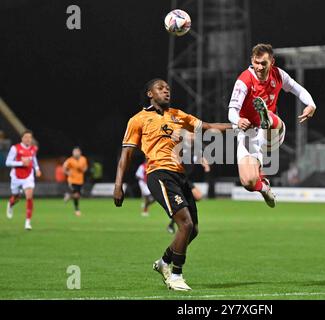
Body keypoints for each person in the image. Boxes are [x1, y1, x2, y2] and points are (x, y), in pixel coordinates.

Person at [113, 78, 231, 291]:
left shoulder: (178, 115)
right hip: (159, 173)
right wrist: (118, 185)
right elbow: (126, 155)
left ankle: (164, 262)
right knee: (184, 224)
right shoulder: (138, 120)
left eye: (168, 88)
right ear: (150, 93)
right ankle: (175, 275)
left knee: (193, 230)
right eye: (161, 88)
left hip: (180, 175)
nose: (166, 91)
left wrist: (238, 127)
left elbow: (208, 127)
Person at [228, 43, 316, 208]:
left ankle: (265, 118)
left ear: (272, 62)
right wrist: (238, 120)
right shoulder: (244, 81)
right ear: (252, 61)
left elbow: (299, 90)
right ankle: (264, 188)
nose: (260, 67)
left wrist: (311, 105)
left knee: (267, 117)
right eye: (256, 62)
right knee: (248, 182)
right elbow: (232, 111)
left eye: (264, 63)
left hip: (273, 131)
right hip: (248, 134)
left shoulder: (278, 75)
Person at [166, 131, 210, 234]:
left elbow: (200, 157)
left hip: (186, 179)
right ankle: (177, 221)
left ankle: (173, 222)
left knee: (196, 198)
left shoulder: (196, 148)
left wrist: (205, 164)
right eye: (190, 134)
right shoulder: (180, 146)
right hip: (178, 177)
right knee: (191, 199)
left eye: (194, 134)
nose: (193, 136)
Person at [5, 130, 41, 230]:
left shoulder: (33, 148)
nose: (28, 139)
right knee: (16, 197)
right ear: (22, 138)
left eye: (30, 137)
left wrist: (37, 169)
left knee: (29, 197)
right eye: (26, 137)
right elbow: (7, 162)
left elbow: (33, 160)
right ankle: (10, 204)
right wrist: (21, 163)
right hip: (16, 177)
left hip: (28, 176)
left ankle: (27, 223)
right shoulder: (15, 148)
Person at [63, 146, 88, 216]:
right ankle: (77, 210)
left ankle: (69, 196)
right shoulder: (69, 160)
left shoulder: (83, 159)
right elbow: (64, 167)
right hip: (72, 181)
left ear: (80, 152)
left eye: (77, 152)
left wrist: (83, 169)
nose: (75, 153)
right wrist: (67, 173)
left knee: (78, 196)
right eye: (74, 152)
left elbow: (85, 167)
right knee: (76, 195)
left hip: (80, 181)